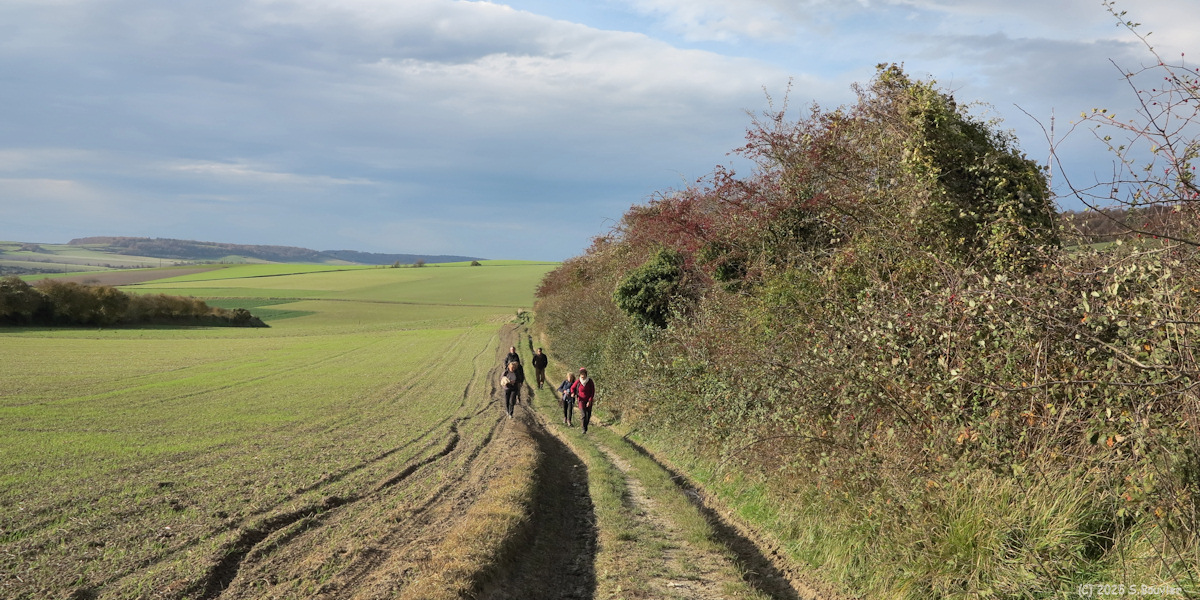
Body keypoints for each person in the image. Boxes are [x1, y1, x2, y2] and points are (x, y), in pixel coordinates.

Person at [571, 368, 595, 433]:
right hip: (581, 400)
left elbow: (592, 392)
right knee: (583, 414)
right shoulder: (578, 381)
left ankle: (585, 425)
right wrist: (573, 393)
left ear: (586, 374)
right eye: (581, 374)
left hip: (588, 400)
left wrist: (590, 400)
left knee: (588, 415)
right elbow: (572, 387)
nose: (582, 376)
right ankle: (583, 429)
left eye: (583, 374)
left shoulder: (590, 381)